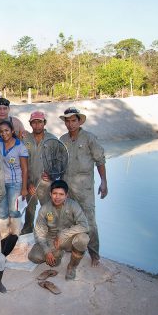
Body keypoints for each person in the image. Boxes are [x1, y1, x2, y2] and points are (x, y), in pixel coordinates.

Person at [59, 107, 108, 267]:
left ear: (79, 121)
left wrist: (104, 182)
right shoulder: (63, 139)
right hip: (67, 185)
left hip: (85, 187)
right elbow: (59, 163)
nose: (71, 124)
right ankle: (72, 247)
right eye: (68, 121)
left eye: (74, 120)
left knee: (89, 221)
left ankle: (94, 254)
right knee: (68, 218)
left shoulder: (89, 138)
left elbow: (100, 160)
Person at [28, 180, 90, 280]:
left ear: (66, 195)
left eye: (61, 194)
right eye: (55, 193)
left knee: (83, 238)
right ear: (50, 194)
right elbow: (39, 232)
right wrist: (47, 251)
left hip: (68, 238)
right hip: (51, 239)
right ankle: (58, 253)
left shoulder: (73, 205)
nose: (57, 197)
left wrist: (63, 234)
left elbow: (85, 226)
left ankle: (72, 267)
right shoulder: (44, 209)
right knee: (34, 257)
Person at [0, 120, 29, 256]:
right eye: (1, 131)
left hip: (16, 183)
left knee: (14, 211)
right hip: (0, 183)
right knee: (1, 212)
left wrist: (24, 187)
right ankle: (4, 239)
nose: (4, 133)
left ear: (12, 131)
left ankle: (14, 237)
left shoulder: (21, 146)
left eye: (7, 130)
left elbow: (25, 169)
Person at [21, 111, 58, 235]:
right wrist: (27, 184)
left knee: (48, 209)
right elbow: (21, 163)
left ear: (44, 123)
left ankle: (51, 231)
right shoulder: (25, 139)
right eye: (34, 122)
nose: (37, 125)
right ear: (30, 124)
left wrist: (52, 175)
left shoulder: (53, 139)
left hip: (46, 183)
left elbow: (59, 161)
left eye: (39, 122)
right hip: (30, 181)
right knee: (29, 209)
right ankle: (27, 230)